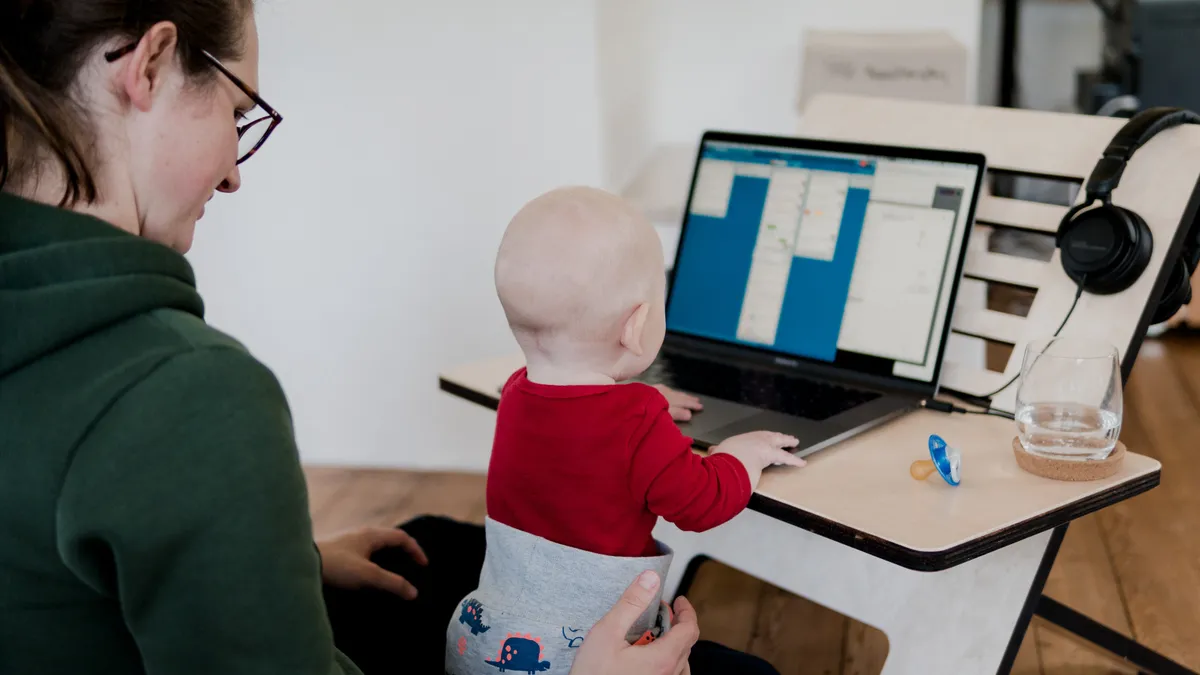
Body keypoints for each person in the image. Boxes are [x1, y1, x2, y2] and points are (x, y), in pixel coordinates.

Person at [0, 2, 779, 674]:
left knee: (426, 543)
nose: (235, 169)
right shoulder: (184, 391)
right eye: (239, 113)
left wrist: (282, 570)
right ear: (153, 63)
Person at [444, 187, 805, 675]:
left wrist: (648, 401)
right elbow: (701, 503)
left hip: (484, 640)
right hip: (582, 653)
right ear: (637, 327)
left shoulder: (515, 393)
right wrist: (742, 454)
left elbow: (577, 432)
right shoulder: (635, 418)